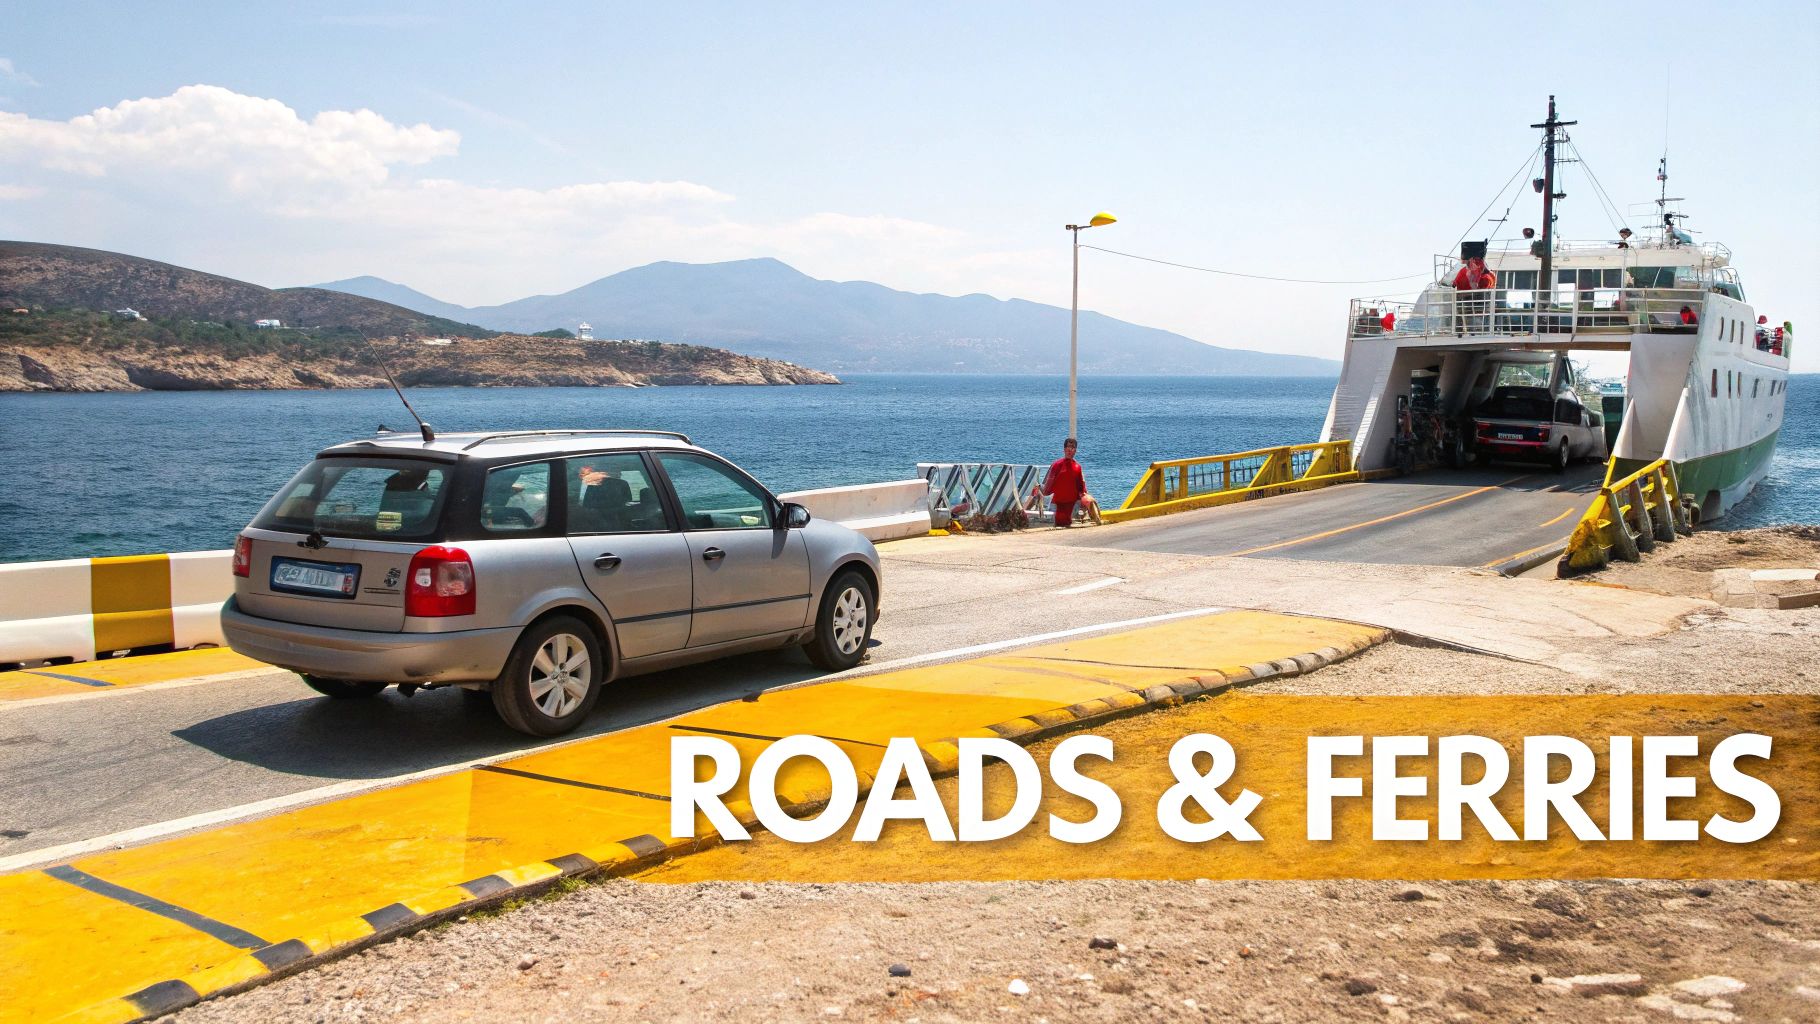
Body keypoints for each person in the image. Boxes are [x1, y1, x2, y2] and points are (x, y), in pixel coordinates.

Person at [1042, 437, 1096, 528]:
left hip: (1071, 505)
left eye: (1073, 447)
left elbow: (1081, 488)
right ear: (1064, 449)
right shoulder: (1056, 465)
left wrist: (1085, 500)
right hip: (1056, 503)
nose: (1070, 449)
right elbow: (1048, 486)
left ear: (1075, 450)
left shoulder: (1077, 467)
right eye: (1068, 447)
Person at [1452, 255, 1495, 334]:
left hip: (1472, 301)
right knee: (1471, 318)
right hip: (1469, 301)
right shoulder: (1464, 271)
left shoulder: (1485, 276)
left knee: (1470, 318)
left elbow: (1454, 284)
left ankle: (1463, 331)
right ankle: (1468, 332)